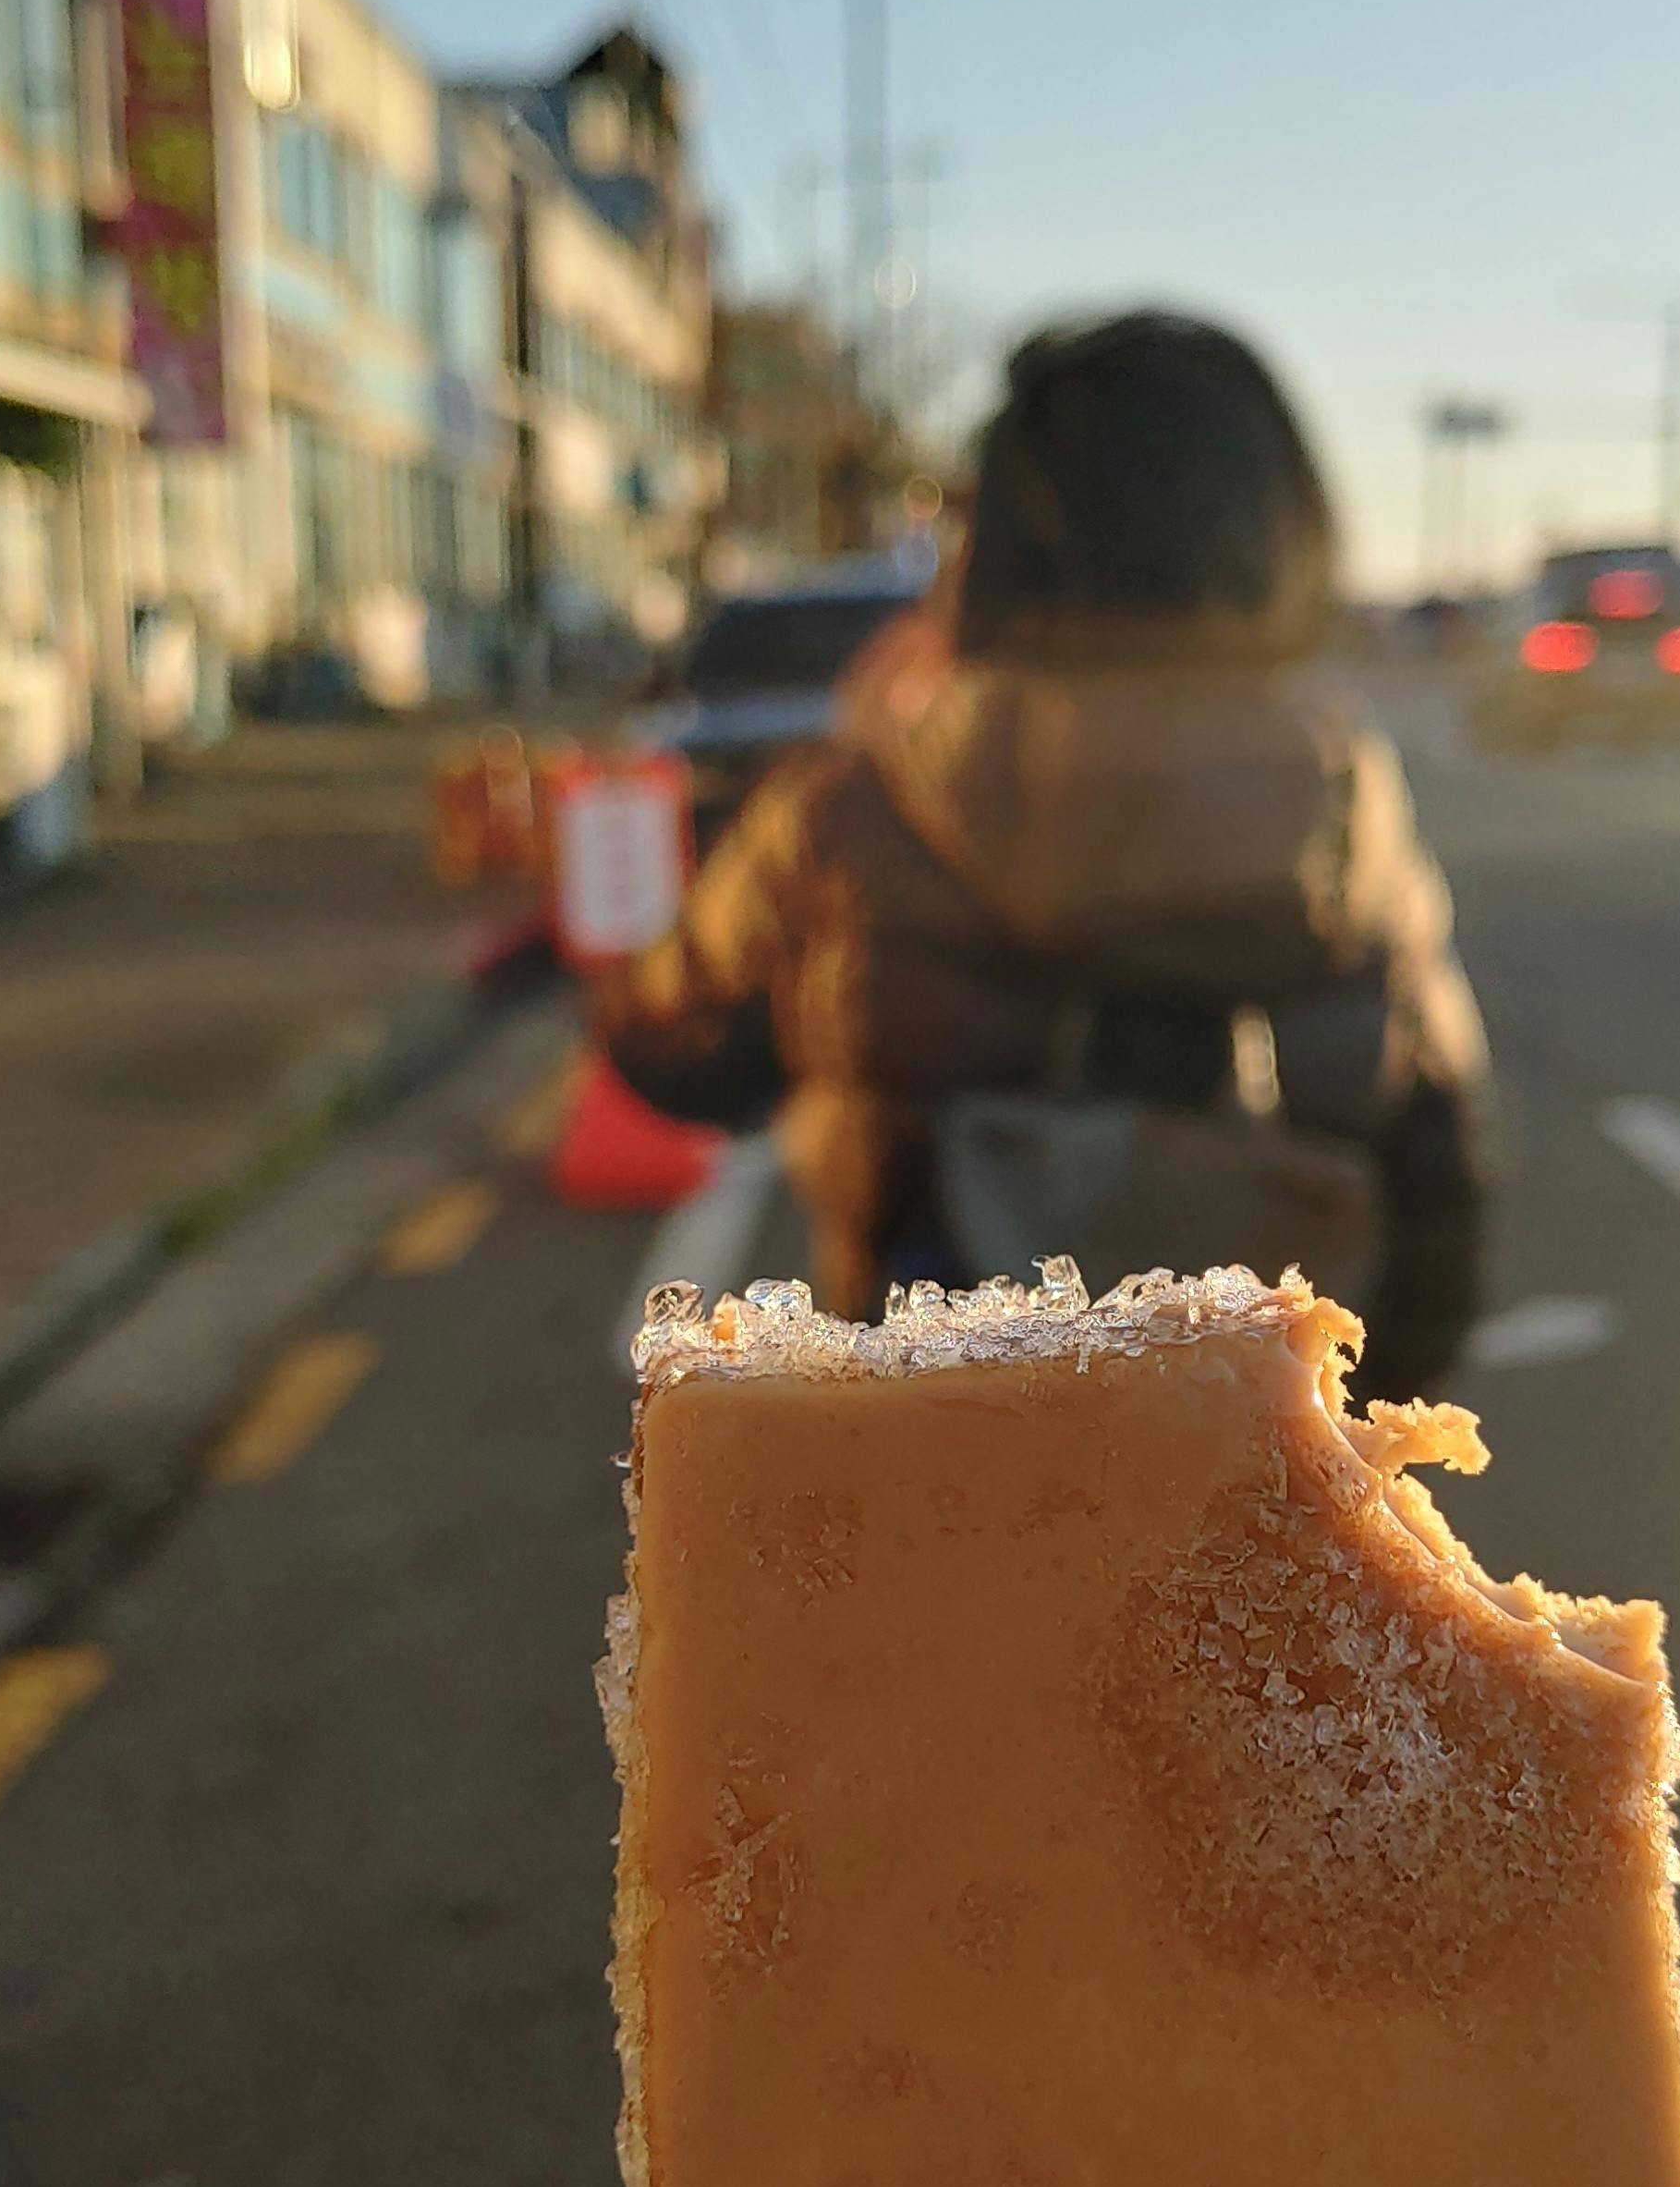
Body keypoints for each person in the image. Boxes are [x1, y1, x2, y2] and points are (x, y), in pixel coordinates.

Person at [593, 312, 1494, 1400]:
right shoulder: (1347, 798)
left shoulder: (863, 796)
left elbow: (672, 1050)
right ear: (1286, 529)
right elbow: (1440, 1164)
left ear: (996, 544)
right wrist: (1363, 1410)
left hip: (936, 1446)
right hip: (1263, 1453)